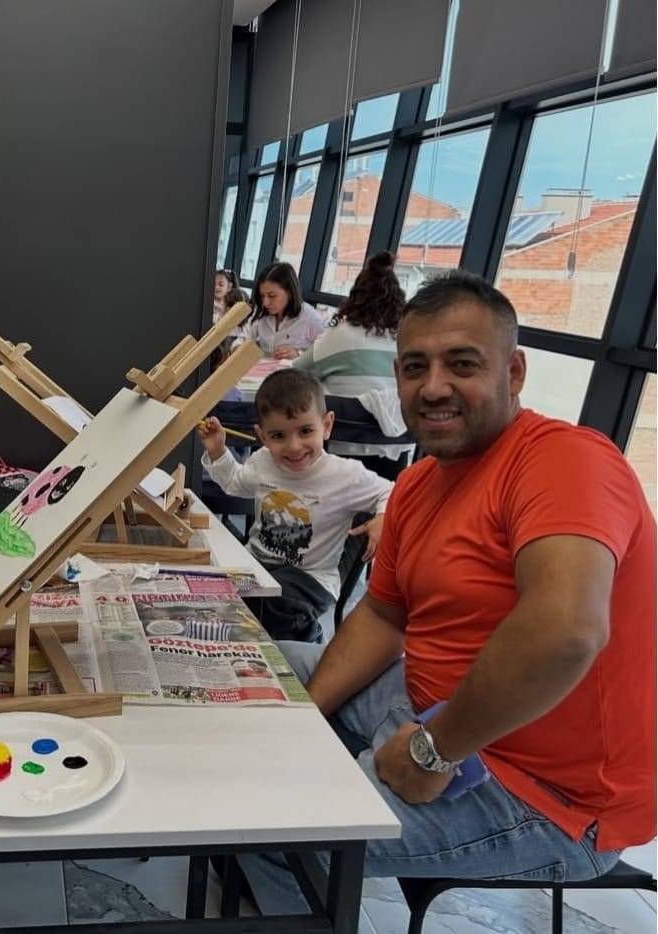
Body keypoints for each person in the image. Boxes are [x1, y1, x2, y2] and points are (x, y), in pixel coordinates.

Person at [236, 271, 657, 913]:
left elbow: (565, 629)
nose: (433, 387)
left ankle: (289, 890)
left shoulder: (565, 461)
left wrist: (433, 751)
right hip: (422, 704)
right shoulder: (418, 483)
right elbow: (383, 616)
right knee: (256, 673)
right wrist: (306, 713)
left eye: (462, 364)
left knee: (273, 829)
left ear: (514, 372)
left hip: (545, 791)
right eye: (415, 368)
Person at [199, 369, 392, 642]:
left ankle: (308, 637)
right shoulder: (262, 461)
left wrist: (383, 517)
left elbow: (392, 491)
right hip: (257, 564)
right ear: (262, 436)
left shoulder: (344, 474)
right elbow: (234, 482)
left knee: (277, 599)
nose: (294, 446)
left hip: (311, 578)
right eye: (278, 435)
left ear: (327, 425)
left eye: (305, 431)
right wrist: (218, 450)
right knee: (222, 594)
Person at [293, 251, 413, 480]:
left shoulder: (341, 336)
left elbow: (297, 373)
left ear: (355, 297)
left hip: (343, 453)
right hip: (396, 456)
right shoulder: (409, 338)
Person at [229, 262, 325, 360]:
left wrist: (298, 354)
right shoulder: (260, 312)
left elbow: (324, 353)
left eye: (272, 296)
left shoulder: (309, 316)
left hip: (293, 369)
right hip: (261, 367)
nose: (265, 303)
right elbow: (243, 338)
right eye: (262, 296)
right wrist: (238, 348)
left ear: (289, 292)